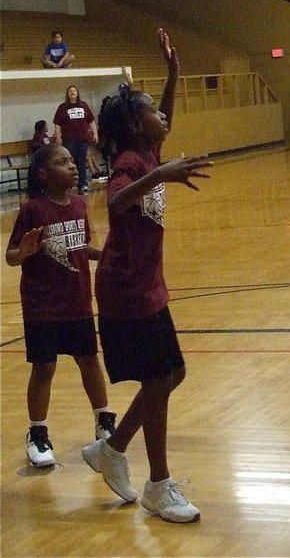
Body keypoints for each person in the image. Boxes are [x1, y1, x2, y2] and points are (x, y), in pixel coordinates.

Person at [81, 29, 212, 524]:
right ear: (138, 126)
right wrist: (160, 175)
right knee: (162, 377)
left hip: (145, 285)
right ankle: (157, 485)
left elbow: (164, 120)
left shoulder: (147, 151)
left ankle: (113, 449)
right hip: (125, 288)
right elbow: (115, 202)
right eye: (155, 112)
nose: (165, 118)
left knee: (170, 374)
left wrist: (174, 72)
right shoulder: (130, 162)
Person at [5, 144, 117, 469]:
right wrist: (23, 251)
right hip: (42, 307)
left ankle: (103, 422)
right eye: (62, 161)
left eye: (71, 160)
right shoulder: (33, 211)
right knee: (44, 369)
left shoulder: (80, 204)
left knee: (89, 361)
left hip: (77, 301)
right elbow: (12, 256)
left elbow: (84, 248)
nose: (71, 166)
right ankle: (37, 434)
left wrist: (108, 253)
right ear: (43, 173)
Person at [53, 85, 97, 194]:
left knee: (81, 162)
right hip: (69, 140)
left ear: (77, 93)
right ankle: (68, 185)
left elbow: (91, 121)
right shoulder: (63, 107)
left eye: (74, 90)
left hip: (82, 139)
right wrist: (58, 137)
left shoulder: (84, 105)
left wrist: (95, 134)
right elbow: (57, 124)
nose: (72, 92)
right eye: (70, 91)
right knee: (69, 163)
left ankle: (83, 185)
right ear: (67, 94)